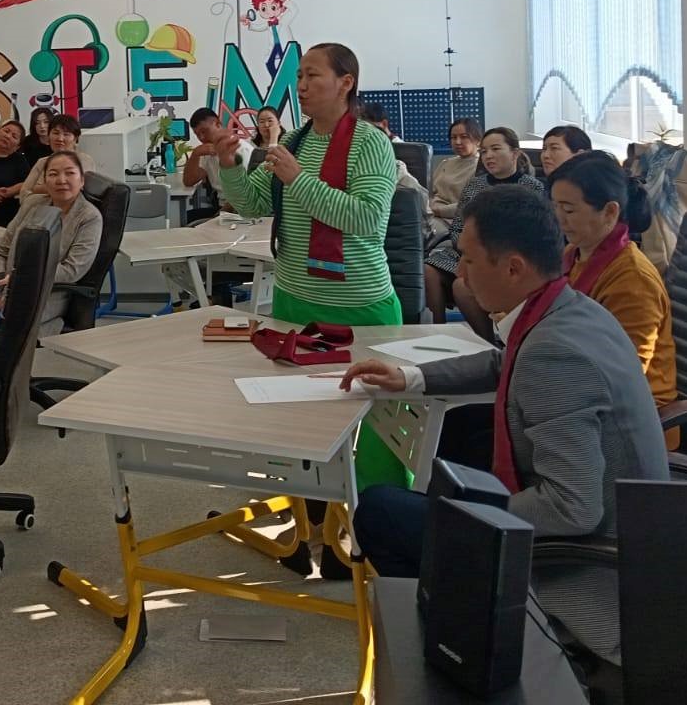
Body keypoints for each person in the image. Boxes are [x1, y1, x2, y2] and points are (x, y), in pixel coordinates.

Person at [343, 186, 669, 664]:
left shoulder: (554, 355)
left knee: (380, 512)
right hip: (628, 521)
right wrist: (412, 377)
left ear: (514, 268)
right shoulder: (570, 308)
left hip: (588, 568)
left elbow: (573, 508)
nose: (461, 273)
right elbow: (506, 362)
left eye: (469, 260)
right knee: (457, 436)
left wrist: (468, 521)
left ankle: (466, 645)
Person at [214, 43, 405, 500]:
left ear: (346, 83)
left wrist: (298, 179)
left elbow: (366, 218)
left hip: (359, 305)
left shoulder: (370, 143)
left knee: (379, 429)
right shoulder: (295, 141)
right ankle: (309, 509)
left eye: (312, 76)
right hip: (294, 299)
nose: (300, 86)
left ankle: (380, 516)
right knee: (297, 418)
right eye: (298, 76)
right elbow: (253, 204)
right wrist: (229, 166)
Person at [0, 151, 103, 370]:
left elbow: (72, 270)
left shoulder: (89, 217)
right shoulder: (34, 204)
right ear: (45, 180)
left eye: (69, 173)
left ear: (81, 180)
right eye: (53, 174)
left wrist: (18, 281)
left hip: (40, 295)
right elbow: (0, 249)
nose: (61, 180)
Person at [547, 152, 678, 414]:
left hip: (631, 415)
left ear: (609, 212)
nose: (559, 218)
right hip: (580, 388)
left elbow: (621, 374)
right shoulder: (573, 254)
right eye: (556, 207)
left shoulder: (633, 279)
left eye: (569, 210)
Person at [425, 126, 539, 333]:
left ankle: (487, 341)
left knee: (462, 286)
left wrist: (485, 255)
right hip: (466, 252)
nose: (488, 156)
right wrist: (468, 251)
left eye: (495, 149)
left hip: (507, 257)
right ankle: (438, 333)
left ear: (514, 153)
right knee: (429, 271)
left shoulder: (531, 187)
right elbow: (458, 227)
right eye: (484, 151)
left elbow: (531, 234)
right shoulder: (475, 185)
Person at [183, 107, 255, 205]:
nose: (201, 138)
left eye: (204, 131)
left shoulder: (241, 149)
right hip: (221, 205)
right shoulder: (206, 152)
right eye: (197, 134)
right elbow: (188, 181)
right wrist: (195, 154)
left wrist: (222, 212)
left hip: (241, 208)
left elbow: (248, 193)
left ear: (218, 124)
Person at [18, 115, 95, 198]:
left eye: (66, 134)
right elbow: (24, 193)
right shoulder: (42, 162)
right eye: (56, 133)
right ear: (48, 136)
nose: (60, 139)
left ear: (75, 138)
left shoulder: (84, 160)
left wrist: (38, 189)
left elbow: (79, 191)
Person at [429, 117, 483, 234]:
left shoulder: (480, 168)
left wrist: (435, 210)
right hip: (430, 213)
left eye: (464, 137)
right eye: (453, 137)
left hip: (453, 219)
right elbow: (430, 192)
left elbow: (470, 205)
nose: (458, 142)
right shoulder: (446, 163)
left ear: (478, 140)